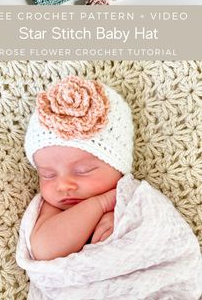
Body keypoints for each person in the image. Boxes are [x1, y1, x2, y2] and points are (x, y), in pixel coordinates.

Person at [16, 75, 202, 300]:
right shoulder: (52, 208)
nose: (63, 185)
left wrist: (121, 216)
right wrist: (99, 205)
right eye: (47, 174)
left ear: (117, 166)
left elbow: (168, 242)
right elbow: (46, 249)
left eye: (83, 170)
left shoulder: (139, 199)